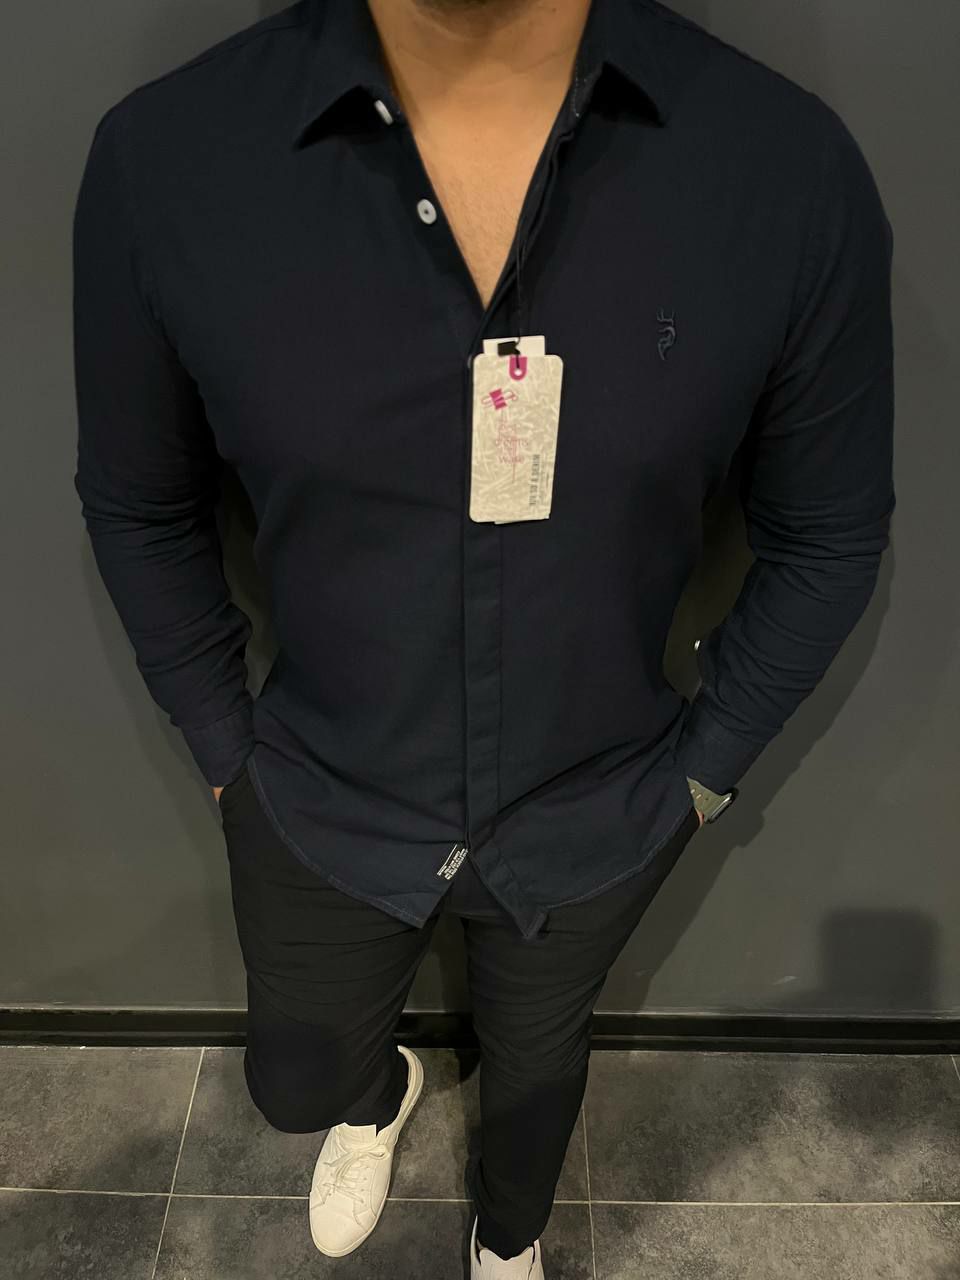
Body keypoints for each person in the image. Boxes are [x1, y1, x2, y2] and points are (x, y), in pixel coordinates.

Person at [71, 0, 895, 1274]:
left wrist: (703, 771)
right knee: (296, 1077)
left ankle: (508, 1239)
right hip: (319, 789)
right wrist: (227, 751)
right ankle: (375, 1094)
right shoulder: (167, 160)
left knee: (536, 1086)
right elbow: (137, 502)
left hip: (604, 798)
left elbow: (831, 532)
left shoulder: (785, 170)